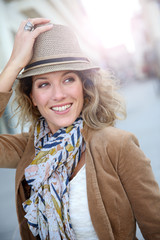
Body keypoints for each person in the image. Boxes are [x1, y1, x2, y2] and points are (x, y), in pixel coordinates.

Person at [0, 17, 160, 240]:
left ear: (84, 87)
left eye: (68, 79)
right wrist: (14, 63)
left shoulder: (118, 145)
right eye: (44, 84)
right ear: (32, 97)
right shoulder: (28, 148)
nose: (58, 95)